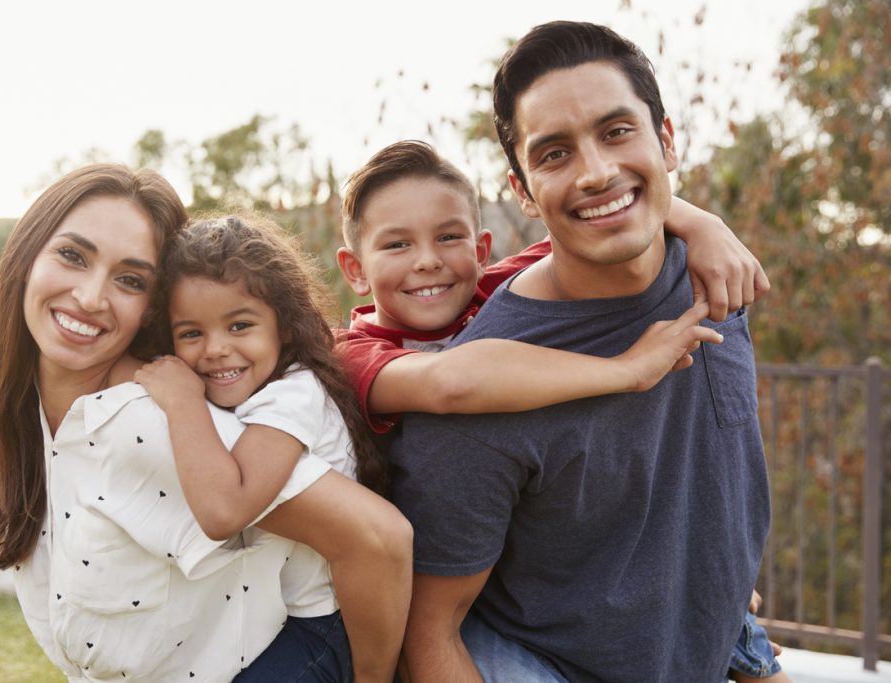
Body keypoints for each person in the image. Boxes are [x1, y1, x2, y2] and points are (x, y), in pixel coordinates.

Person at [386, 22, 772, 682]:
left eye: (617, 131)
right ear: (522, 190)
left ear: (668, 141)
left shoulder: (716, 276)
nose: (596, 172)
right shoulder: (484, 393)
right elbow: (429, 636)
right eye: (555, 153)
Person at [0, 164, 411, 682]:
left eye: (130, 279)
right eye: (72, 255)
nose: (89, 296)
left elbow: (377, 539)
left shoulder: (153, 422)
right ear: (25, 255)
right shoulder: (35, 408)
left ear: (151, 309)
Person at [135, 213, 408, 682]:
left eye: (239, 325)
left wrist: (182, 401)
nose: (216, 349)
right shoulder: (252, 392)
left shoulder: (293, 394)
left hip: (325, 627)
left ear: (283, 326)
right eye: (192, 333)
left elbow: (226, 510)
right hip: (277, 618)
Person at [335, 139, 764, 436]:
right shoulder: (348, 354)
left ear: (482, 251)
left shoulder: (493, 288)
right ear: (356, 271)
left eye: (449, 237)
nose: (428, 260)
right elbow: (450, 382)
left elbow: (601, 221)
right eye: (396, 245)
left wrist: (705, 226)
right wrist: (628, 370)